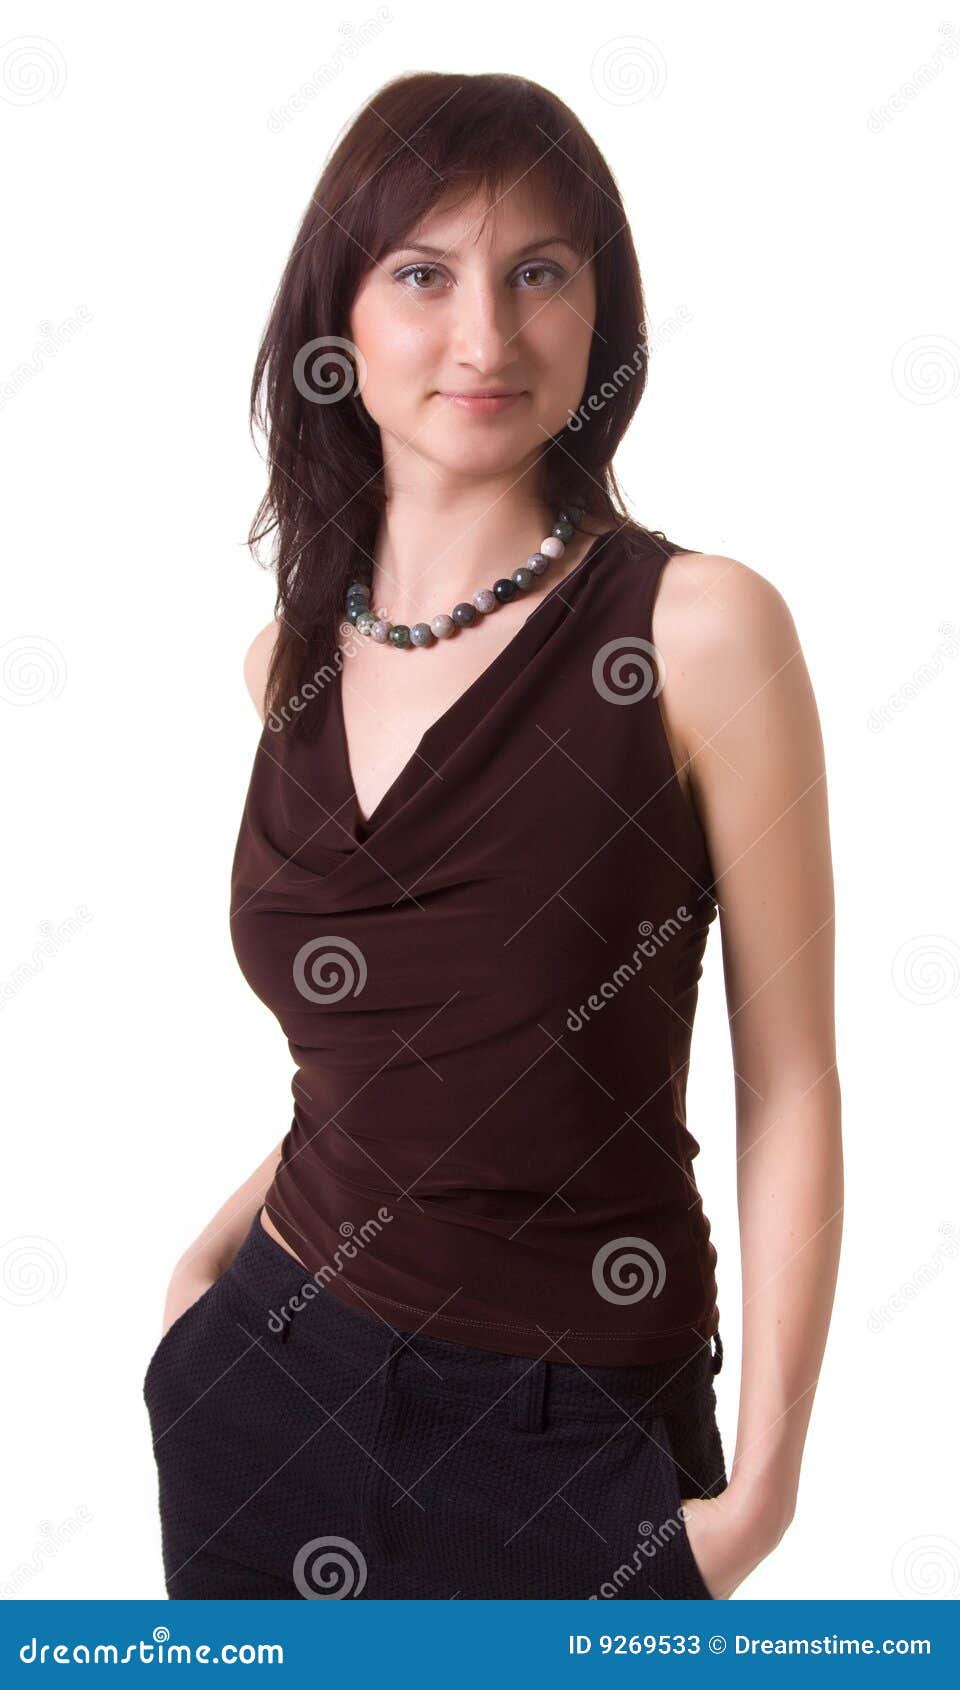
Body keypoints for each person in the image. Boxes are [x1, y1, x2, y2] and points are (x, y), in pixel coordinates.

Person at [143, 71, 842, 1602]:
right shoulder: (287, 665)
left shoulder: (699, 629)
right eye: (422, 274)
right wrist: (202, 1291)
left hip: (572, 1444)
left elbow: (788, 1074)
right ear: (340, 315)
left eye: (541, 272)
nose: (486, 336)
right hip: (265, 1397)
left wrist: (763, 1488)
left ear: (604, 313)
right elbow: (379, 1075)